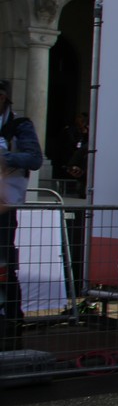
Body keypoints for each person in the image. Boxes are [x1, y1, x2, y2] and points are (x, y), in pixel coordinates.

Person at [0, 79, 42, 351]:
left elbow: (35, 159)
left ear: (3, 97)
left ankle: (12, 327)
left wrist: (5, 158)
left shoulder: (19, 125)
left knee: (4, 267)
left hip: (4, 206)